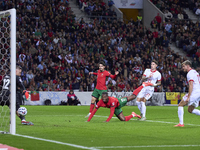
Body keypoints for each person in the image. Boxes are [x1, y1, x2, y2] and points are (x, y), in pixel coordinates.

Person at [87, 82, 153, 122]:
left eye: (105, 98)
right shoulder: (100, 102)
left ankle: (143, 85)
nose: (103, 99)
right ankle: (133, 115)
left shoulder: (111, 101)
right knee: (123, 119)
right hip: (116, 108)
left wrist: (107, 121)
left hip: (119, 102)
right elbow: (94, 111)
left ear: (107, 97)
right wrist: (88, 120)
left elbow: (112, 112)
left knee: (133, 96)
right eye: (102, 98)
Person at [175, 60, 200, 127]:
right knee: (190, 110)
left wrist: (188, 97)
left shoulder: (190, 73)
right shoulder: (195, 72)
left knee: (180, 105)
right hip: (198, 93)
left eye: (184, 66)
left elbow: (191, 85)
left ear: (188, 66)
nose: (183, 68)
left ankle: (181, 123)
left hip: (194, 92)